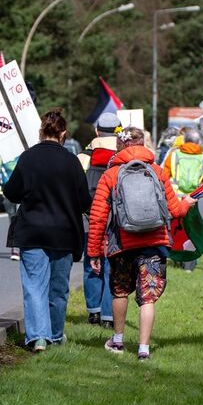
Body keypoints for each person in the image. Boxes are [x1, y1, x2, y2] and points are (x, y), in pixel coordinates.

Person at [87, 126, 196, 360]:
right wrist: (186, 203)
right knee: (148, 297)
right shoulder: (157, 171)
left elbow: (97, 218)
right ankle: (144, 349)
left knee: (119, 292)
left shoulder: (111, 175)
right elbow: (175, 210)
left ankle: (117, 341)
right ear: (143, 144)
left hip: (122, 243)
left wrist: (94, 252)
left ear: (120, 146)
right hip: (154, 242)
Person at [2, 109, 91, 351]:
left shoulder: (28, 158)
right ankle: (55, 333)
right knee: (58, 289)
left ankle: (38, 337)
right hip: (63, 233)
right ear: (63, 133)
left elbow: (11, 193)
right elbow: (85, 202)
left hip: (32, 232)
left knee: (34, 286)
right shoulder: (72, 162)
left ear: (41, 132)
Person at [79, 111, 121, 326]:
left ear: (96, 131)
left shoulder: (83, 157)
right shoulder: (124, 156)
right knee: (111, 266)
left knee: (91, 263)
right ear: (119, 131)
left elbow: (76, 191)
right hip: (117, 221)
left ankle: (93, 312)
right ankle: (107, 316)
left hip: (90, 219)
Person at [162, 125, 203, 272]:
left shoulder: (173, 156)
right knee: (192, 231)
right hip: (195, 201)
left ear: (184, 140)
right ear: (200, 142)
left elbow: (164, 177)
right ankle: (189, 265)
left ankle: (174, 256)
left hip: (174, 199)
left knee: (174, 230)